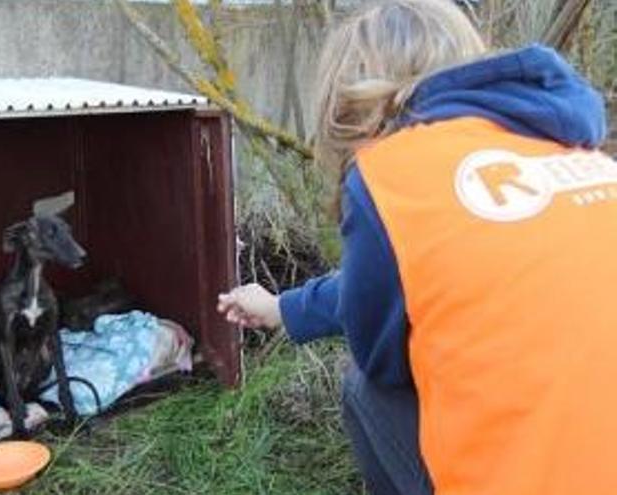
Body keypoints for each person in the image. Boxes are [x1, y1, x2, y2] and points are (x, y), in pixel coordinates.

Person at [216, 1, 617, 494]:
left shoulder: (392, 172)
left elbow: (382, 352)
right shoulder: (574, 153)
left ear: (352, 100)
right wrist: (285, 307)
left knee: (366, 387)